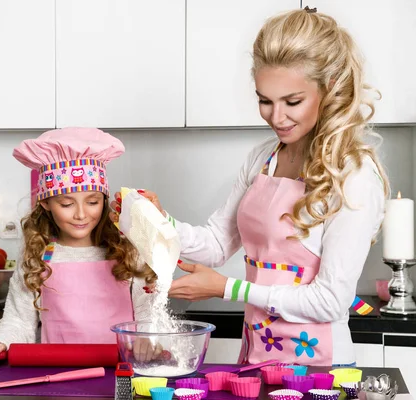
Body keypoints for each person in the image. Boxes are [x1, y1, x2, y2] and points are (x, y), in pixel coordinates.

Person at [113, 7, 389, 366]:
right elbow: (214, 244)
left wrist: (227, 288)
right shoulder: (264, 158)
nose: (276, 117)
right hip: (256, 357)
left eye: (293, 102)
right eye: (264, 101)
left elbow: (330, 301)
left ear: (330, 87)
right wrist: (156, 220)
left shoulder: (353, 174)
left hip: (320, 367)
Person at [0, 127, 157, 367]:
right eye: (66, 204)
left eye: (93, 202)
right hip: (55, 375)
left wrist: (147, 338)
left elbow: (148, 312)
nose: (81, 214)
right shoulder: (37, 256)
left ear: (104, 200)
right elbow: (18, 323)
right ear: (45, 202)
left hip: (121, 373)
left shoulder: (127, 250)